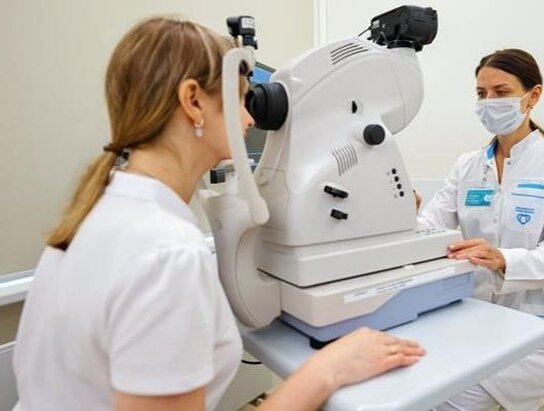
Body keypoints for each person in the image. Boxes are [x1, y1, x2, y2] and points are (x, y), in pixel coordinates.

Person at [12, 16, 425, 411]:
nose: (250, 118)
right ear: (193, 101)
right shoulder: (168, 255)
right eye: (240, 98)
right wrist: (327, 370)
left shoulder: (99, 210)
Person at [419, 49, 544, 411]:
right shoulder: (467, 165)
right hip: (473, 316)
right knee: (415, 388)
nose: (489, 103)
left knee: (449, 404)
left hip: (541, 329)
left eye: (501, 92)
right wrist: (401, 214)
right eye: (482, 94)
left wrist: (502, 259)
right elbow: (431, 227)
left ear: (533, 95)